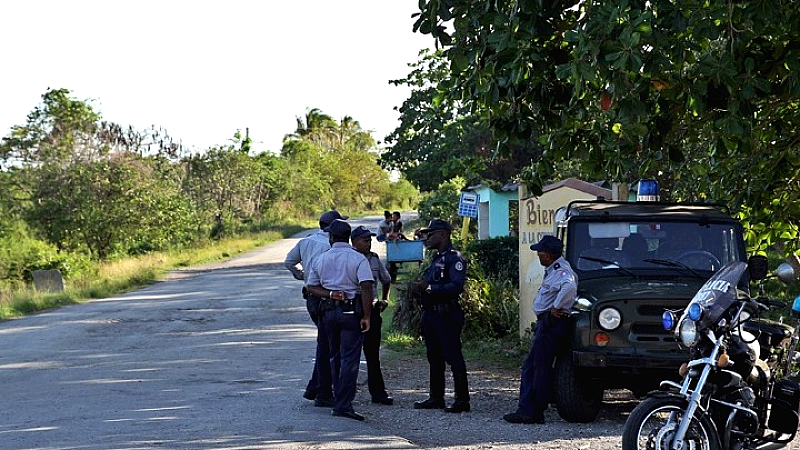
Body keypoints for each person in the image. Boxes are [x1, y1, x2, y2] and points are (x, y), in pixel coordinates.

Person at [504, 235, 577, 424]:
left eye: (541, 252)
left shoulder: (561, 271)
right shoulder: (553, 269)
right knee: (536, 366)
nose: (538, 255)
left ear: (550, 255)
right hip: (549, 323)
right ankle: (533, 409)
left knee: (537, 367)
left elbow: (569, 285)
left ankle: (531, 410)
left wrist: (557, 306)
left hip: (552, 324)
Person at [306, 219, 375, 421]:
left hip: (328, 313)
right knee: (350, 359)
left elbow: (311, 287)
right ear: (348, 237)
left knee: (334, 356)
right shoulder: (358, 259)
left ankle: (337, 399)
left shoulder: (322, 259)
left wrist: (329, 294)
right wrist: (367, 316)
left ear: (331, 237)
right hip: (350, 313)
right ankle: (343, 404)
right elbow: (366, 287)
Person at [283, 209, 348, 406]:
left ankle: (316, 387)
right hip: (328, 296)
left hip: (312, 296)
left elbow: (289, 262)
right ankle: (322, 391)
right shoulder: (333, 246)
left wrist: (303, 276)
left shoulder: (306, 241)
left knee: (325, 341)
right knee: (328, 344)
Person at [411, 219, 470, 413]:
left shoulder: (455, 258)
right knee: (434, 357)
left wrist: (428, 287)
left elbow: (456, 286)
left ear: (443, 234)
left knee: (453, 357)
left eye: (431, 233)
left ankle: (462, 400)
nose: (427, 237)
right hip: (432, 315)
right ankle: (436, 398)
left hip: (447, 314)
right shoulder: (437, 259)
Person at [350, 225, 393, 405]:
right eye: (365, 240)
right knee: (350, 354)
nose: (369, 244)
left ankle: (378, 393)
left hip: (373, 308)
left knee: (372, 354)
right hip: (353, 308)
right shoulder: (349, 258)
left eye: (370, 240)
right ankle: (345, 394)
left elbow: (386, 279)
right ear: (354, 242)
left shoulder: (374, 259)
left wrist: (384, 299)